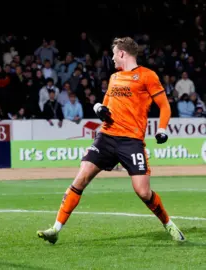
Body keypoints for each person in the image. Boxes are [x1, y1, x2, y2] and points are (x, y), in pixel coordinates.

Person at [37, 37, 185, 244]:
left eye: (115, 53)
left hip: (131, 141)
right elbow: (105, 109)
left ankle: (168, 223)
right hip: (106, 136)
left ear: (123, 53)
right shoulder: (114, 78)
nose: (113, 57)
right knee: (80, 179)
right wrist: (99, 109)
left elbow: (165, 106)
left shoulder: (147, 76)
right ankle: (55, 228)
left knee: (143, 192)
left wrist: (161, 129)